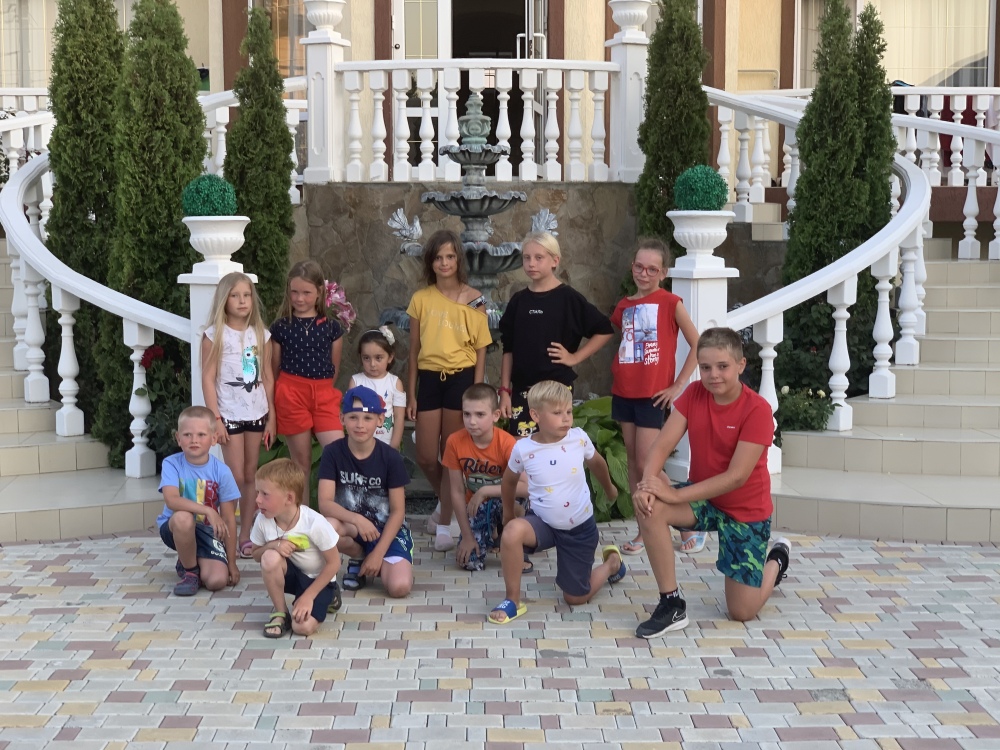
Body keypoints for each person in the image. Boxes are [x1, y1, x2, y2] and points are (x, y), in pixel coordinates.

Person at [632, 327, 791, 638]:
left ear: (741, 365)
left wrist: (673, 494)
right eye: (705, 367)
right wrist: (648, 485)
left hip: (745, 512)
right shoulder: (694, 394)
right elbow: (660, 446)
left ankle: (776, 560)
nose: (713, 375)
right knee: (650, 508)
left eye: (722, 366)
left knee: (741, 612)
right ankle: (671, 604)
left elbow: (736, 477)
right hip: (705, 500)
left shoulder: (757, 409)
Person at [489, 381, 627, 624]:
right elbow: (509, 481)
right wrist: (508, 514)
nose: (566, 418)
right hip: (543, 523)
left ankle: (612, 564)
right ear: (535, 416)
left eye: (569, 411)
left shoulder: (578, 439)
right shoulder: (523, 448)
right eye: (557, 413)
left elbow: (597, 463)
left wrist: (610, 489)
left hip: (579, 529)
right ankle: (512, 600)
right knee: (511, 532)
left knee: (575, 597)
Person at [610, 239, 702, 556]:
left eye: (652, 269)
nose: (644, 274)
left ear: (663, 272)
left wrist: (678, 385)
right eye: (639, 267)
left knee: (647, 464)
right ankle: (644, 528)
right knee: (635, 466)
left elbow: (698, 344)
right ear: (632, 267)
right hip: (623, 392)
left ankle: (688, 520)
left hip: (653, 396)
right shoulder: (623, 305)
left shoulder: (670, 302)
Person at [405, 230, 492, 553]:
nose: (444, 263)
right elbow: (413, 350)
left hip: (461, 379)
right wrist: (412, 393)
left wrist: (476, 392)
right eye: (439, 257)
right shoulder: (421, 299)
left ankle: (444, 524)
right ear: (431, 262)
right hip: (429, 379)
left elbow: (481, 349)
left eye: (450, 257)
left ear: (458, 260)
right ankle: (450, 503)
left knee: (450, 454)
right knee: (427, 456)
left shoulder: (475, 299)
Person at [498, 231, 613, 439]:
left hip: (556, 389)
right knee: (522, 449)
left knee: (555, 447)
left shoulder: (568, 299)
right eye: (527, 257)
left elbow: (604, 330)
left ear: (555, 260)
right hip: (523, 391)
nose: (531, 263)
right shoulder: (518, 301)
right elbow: (508, 349)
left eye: (539, 257)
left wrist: (574, 357)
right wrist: (505, 391)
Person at [201, 271, 276, 559]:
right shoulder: (214, 335)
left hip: (256, 413)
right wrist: (215, 420)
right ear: (224, 300)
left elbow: (267, 377)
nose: (242, 301)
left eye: (247, 295)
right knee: (233, 474)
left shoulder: (261, 335)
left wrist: (271, 417)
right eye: (235, 296)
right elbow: (208, 378)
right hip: (228, 415)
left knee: (250, 473)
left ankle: (246, 533)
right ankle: (225, 532)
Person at [318, 386, 413, 598]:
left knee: (399, 587)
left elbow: (398, 511)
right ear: (342, 418)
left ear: (380, 420)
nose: (360, 425)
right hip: (353, 527)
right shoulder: (332, 452)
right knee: (329, 526)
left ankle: (379, 559)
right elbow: (325, 503)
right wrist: (357, 520)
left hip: (386, 531)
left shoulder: (390, 457)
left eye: (367, 418)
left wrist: (378, 554)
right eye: (353, 417)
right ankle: (358, 557)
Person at [270, 260, 345, 502]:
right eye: (294, 292)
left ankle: (335, 511)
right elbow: (274, 369)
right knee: (300, 462)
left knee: (340, 454)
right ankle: (302, 518)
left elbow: (333, 367)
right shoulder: (280, 328)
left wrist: (320, 390)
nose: (299, 298)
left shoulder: (332, 328)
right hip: (291, 393)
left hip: (323, 394)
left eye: (306, 292)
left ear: (319, 292)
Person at [442, 383, 530, 572]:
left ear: (495, 415)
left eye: (480, 415)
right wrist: (467, 536)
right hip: (477, 506)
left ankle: (515, 542)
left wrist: (485, 490)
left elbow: (526, 487)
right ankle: (491, 533)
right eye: (467, 414)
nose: (472, 421)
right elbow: (456, 491)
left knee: (518, 503)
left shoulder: (507, 443)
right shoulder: (454, 442)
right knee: (470, 562)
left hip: (506, 501)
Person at [251, 458, 341, 638]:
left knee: (302, 627)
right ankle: (281, 613)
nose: (258, 499)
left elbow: (334, 563)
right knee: (269, 557)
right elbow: (256, 554)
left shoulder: (314, 522)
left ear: (289, 498)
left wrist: (308, 597)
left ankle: (330, 596)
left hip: (317, 580)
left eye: (265, 494)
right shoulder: (262, 519)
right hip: (292, 575)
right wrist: (274, 545)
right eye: (257, 492)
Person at [156, 406, 241, 597]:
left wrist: (232, 564)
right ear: (178, 438)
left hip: (207, 532)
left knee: (217, 581)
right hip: (175, 528)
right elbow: (171, 500)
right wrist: (208, 511)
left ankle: (190, 560)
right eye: (187, 435)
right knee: (183, 517)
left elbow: (228, 520)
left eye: (201, 434)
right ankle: (191, 572)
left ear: (214, 438)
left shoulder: (222, 472)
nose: (194, 440)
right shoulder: (171, 463)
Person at [347, 326, 406, 450]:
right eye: (366, 358)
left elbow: (399, 417)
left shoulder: (395, 383)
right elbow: (351, 414)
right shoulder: (355, 381)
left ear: (390, 357)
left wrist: (394, 446)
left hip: (386, 445)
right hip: (360, 446)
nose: (372, 364)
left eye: (378, 358)